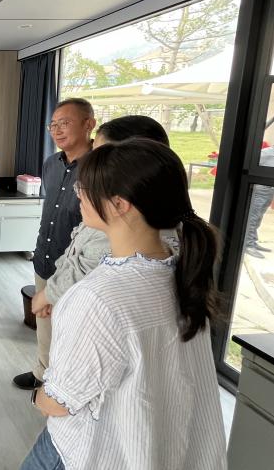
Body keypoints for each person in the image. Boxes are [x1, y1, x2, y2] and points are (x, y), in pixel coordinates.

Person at [21, 139, 227, 470]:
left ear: (119, 204)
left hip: (84, 452)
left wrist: (37, 396)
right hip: (163, 447)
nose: (77, 194)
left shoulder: (97, 298)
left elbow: (60, 401)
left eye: (84, 188)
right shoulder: (182, 271)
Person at [31, 115, 171, 319]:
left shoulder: (106, 296)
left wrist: (49, 295)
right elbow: (75, 249)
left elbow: (89, 263)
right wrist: (52, 292)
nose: (81, 189)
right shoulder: (53, 165)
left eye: (99, 159)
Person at [12, 98, 96, 389]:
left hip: (80, 264)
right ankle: (42, 372)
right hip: (46, 256)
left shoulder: (100, 167)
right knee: (45, 323)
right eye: (53, 125)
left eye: (65, 123)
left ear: (89, 124)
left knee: (74, 327)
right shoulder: (51, 164)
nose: (57, 130)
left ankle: (67, 384)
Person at [244, 144, 274, 258]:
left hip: (270, 190)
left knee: (259, 217)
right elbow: (250, 165)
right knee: (253, 217)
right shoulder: (265, 153)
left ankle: (253, 241)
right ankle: (248, 245)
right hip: (260, 190)